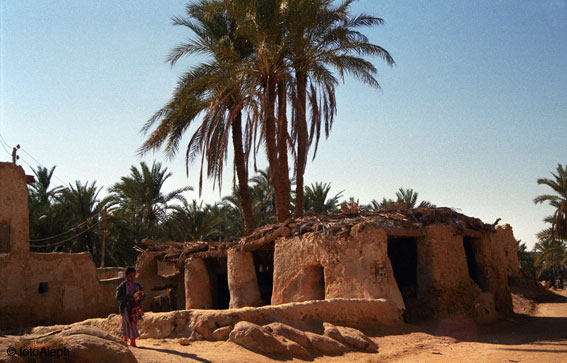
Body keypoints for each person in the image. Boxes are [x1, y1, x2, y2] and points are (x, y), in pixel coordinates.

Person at [116, 266, 144, 347]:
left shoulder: (138, 285)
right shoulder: (122, 286)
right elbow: (118, 297)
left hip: (135, 308)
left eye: (134, 276)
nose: (133, 278)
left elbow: (143, 296)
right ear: (127, 276)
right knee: (129, 323)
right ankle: (132, 341)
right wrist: (130, 298)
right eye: (131, 276)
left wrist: (140, 296)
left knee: (132, 323)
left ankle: (125, 337)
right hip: (125, 308)